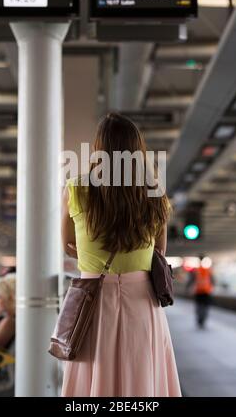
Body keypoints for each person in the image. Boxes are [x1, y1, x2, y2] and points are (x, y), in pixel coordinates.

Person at [61, 113, 181, 397]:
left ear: (98, 148)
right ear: (137, 150)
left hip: (93, 300)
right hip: (142, 302)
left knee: (95, 376)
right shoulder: (155, 192)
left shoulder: (76, 188)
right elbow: (160, 251)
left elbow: (67, 244)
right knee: (141, 378)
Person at [187, 256, 214, 329]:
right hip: (207, 292)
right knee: (205, 307)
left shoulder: (196, 270)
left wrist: (188, 288)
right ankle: (203, 320)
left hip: (198, 291)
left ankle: (199, 320)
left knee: (199, 306)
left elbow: (191, 280)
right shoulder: (209, 270)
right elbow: (212, 281)